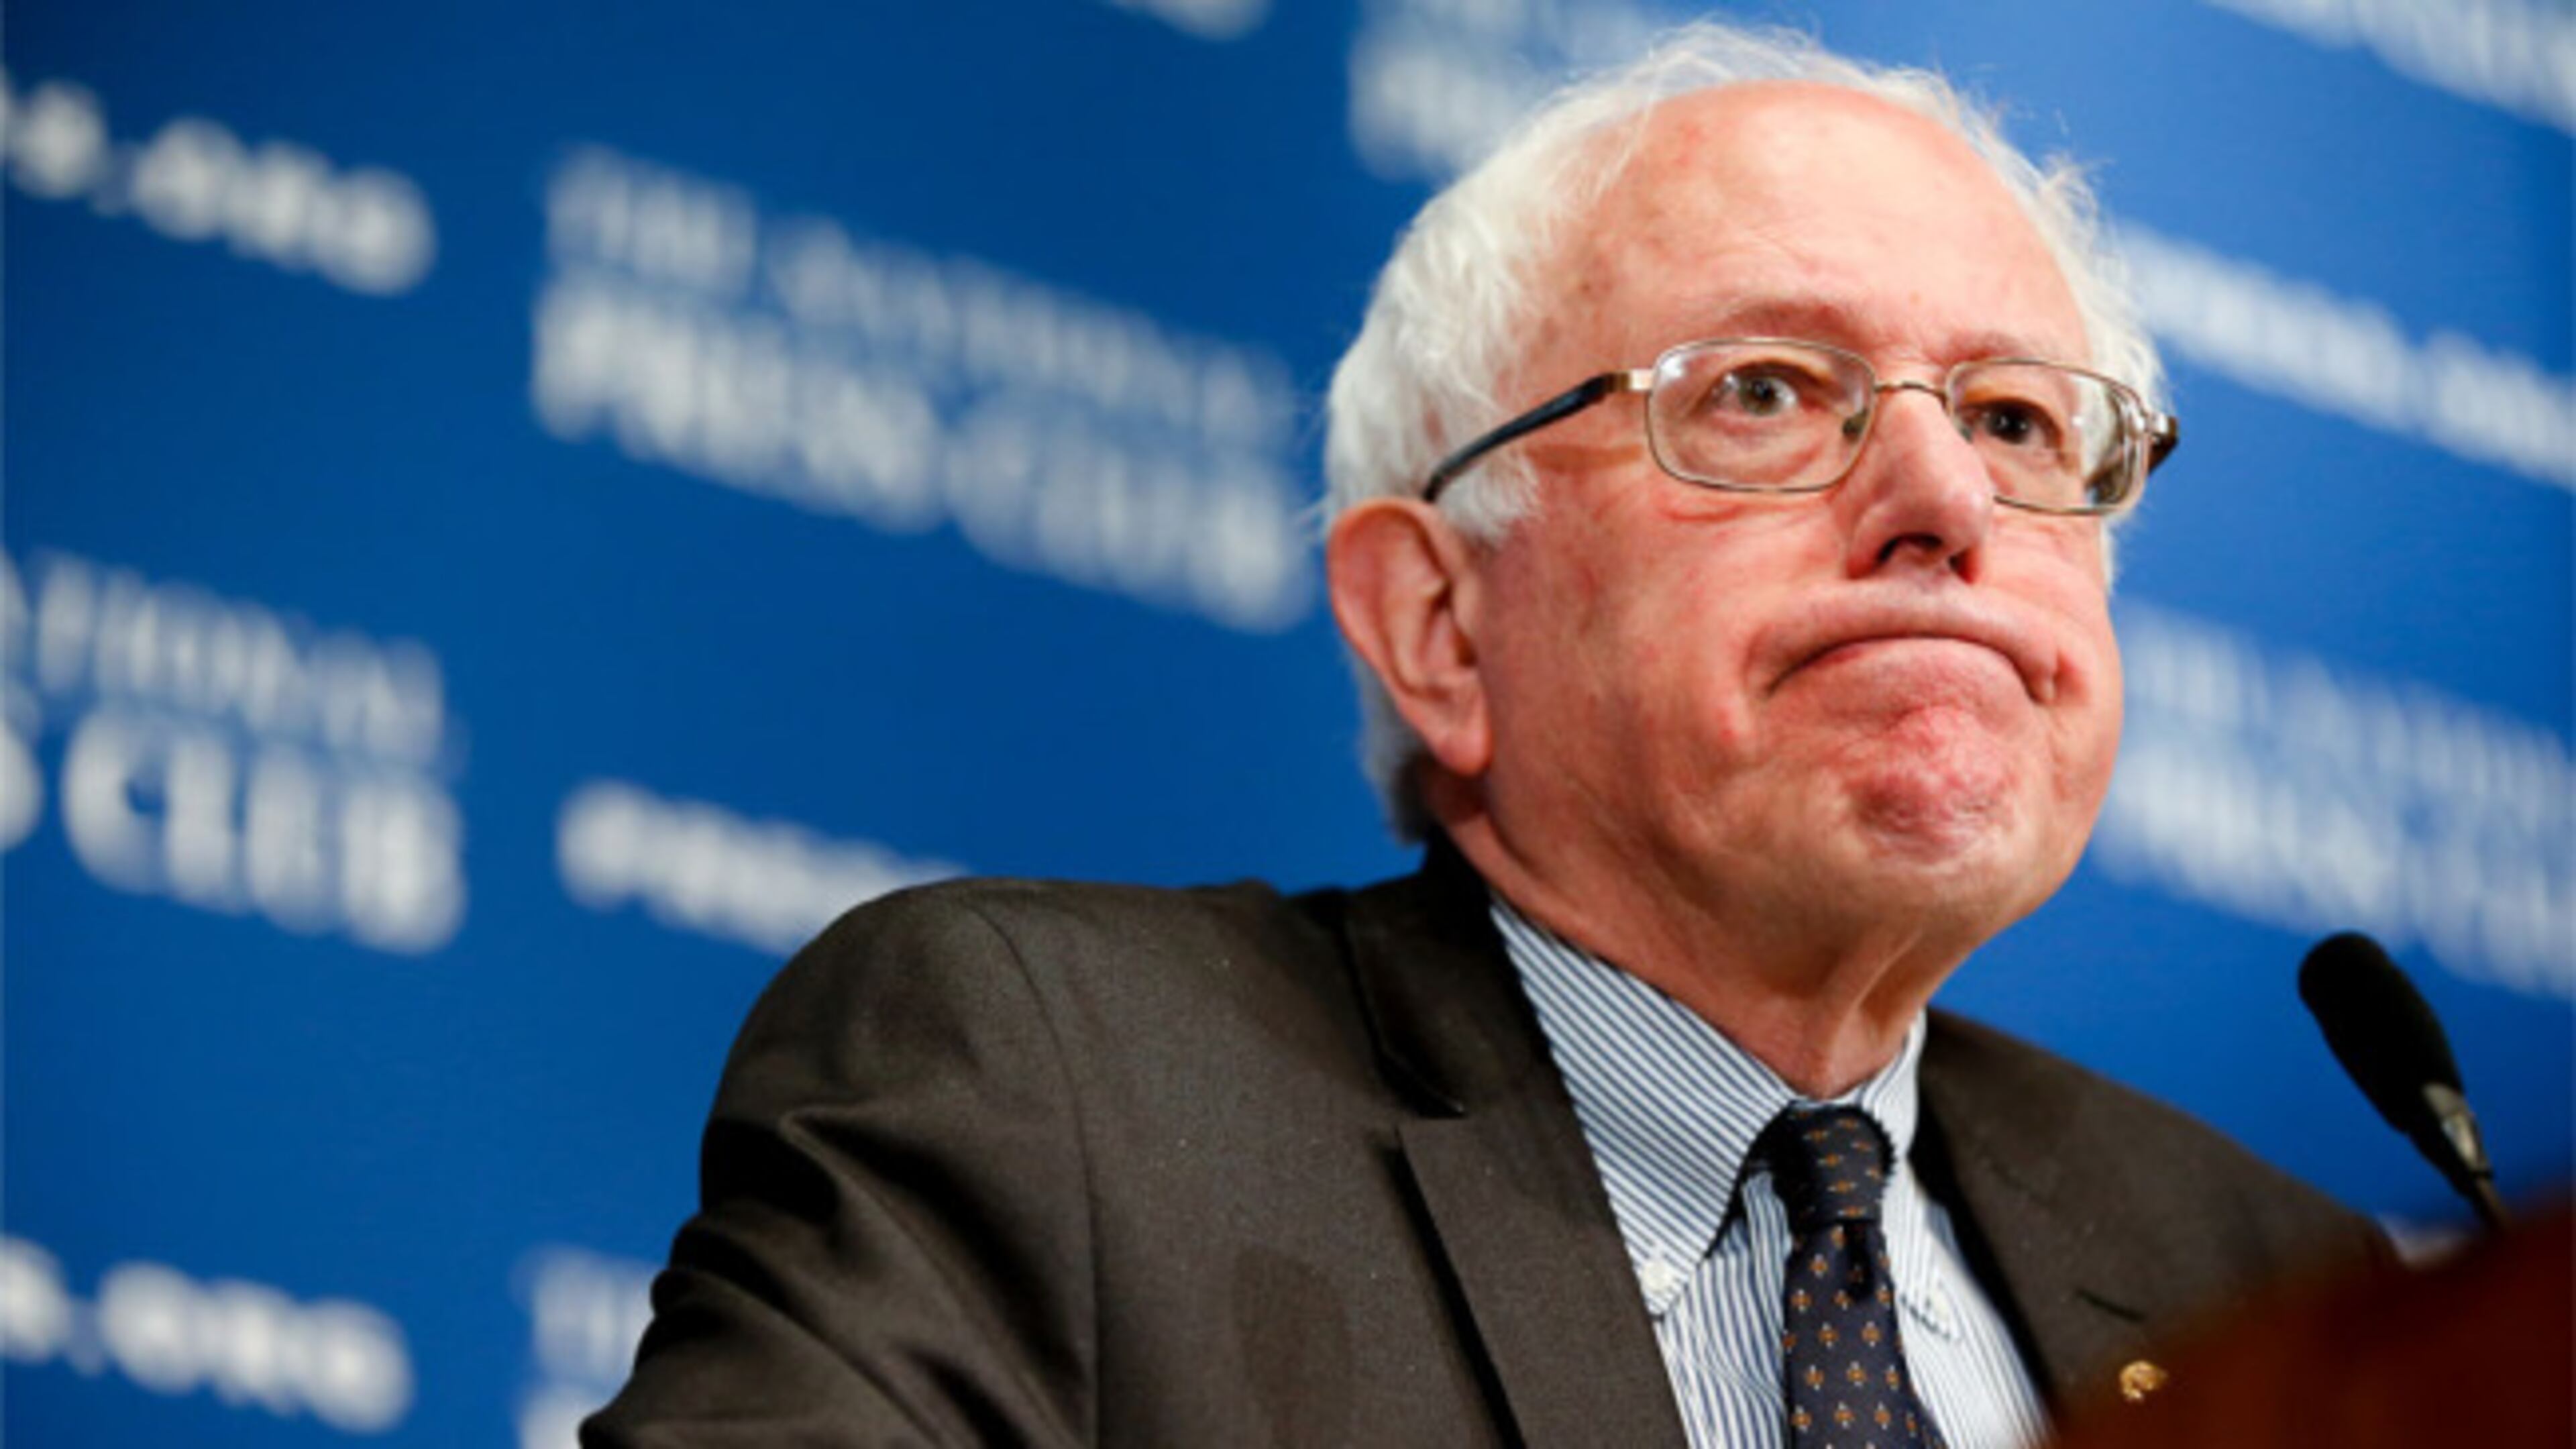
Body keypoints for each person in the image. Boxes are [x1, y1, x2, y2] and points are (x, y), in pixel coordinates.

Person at [586, 23, 2385, 1449]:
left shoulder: (2273, 1282)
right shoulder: (1056, 1098)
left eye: (2013, 420)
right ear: (1438, 624)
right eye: (1763, 392)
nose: (1945, 499)